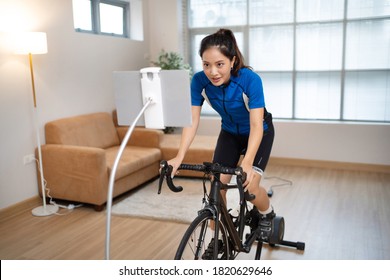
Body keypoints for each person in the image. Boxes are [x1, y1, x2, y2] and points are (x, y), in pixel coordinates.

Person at [167, 28, 275, 240]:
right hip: (229, 134)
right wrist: (179, 156)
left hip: (259, 132)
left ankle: (267, 214)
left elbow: (255, 124)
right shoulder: (199, 81)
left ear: (232, 61)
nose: (213, 72)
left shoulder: (249, 80)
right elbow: (192, 120)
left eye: (219, 64)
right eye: (206, 65)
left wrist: (248, 161)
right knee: (217, 187)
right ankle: (219, 241)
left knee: (249, 188)